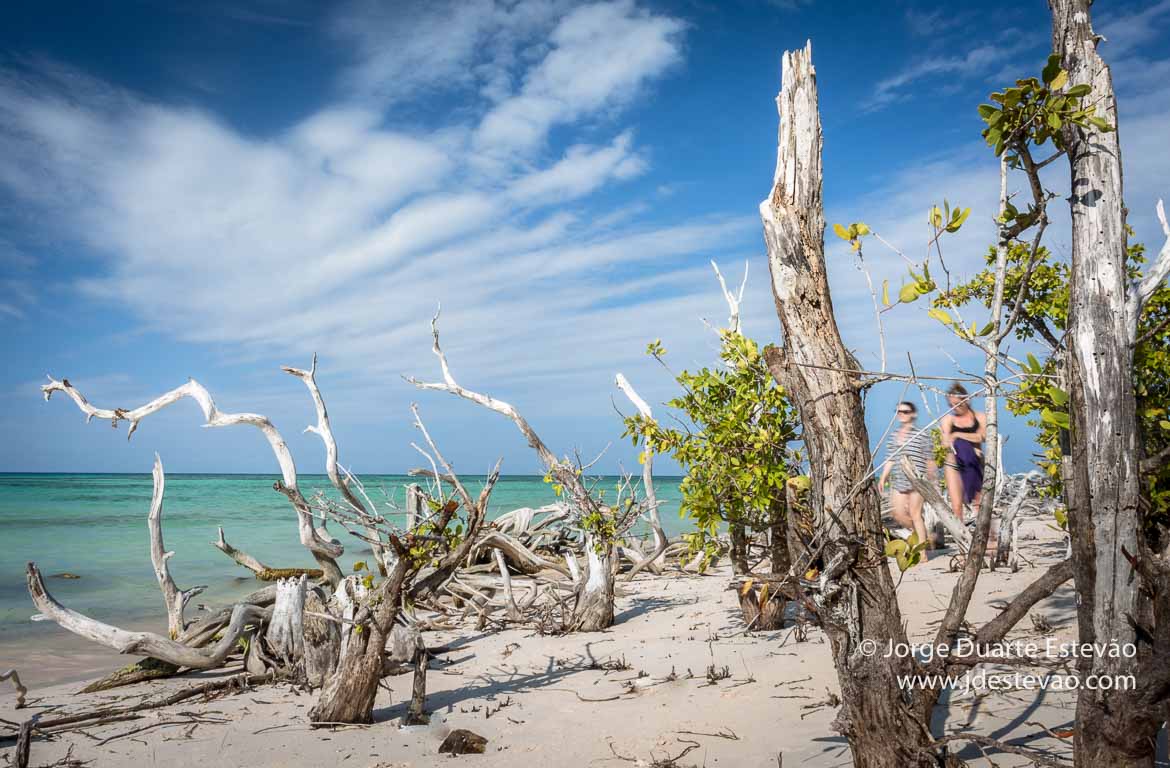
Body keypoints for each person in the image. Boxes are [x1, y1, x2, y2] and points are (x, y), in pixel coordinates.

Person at [878, 401, 935, 558]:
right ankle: (924, 536)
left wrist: (932, 480)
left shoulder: (921, 434)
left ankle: (922, 552)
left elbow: (930, 459)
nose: (901, 414)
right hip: (899, 481)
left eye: (905, 411)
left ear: (913, 414)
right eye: (898, 411)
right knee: (899, 515)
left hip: (917, 481)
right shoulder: (893, 436)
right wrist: (883, 477)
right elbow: (890, 459)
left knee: (915, 514)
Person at [940, 382, 985, 523]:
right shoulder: (948, 419)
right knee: (957, 506)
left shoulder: (979, 417)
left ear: (967, 401)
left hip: (975, 463)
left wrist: (958, 435)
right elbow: (944, 442)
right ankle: (960, 536)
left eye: (958, 404)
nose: (955, 408)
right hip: (954, 465)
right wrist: (950, 439)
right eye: (951, 405)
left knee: (979, 504)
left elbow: (982, 437)